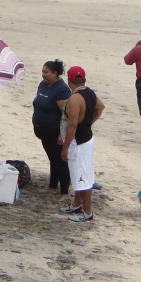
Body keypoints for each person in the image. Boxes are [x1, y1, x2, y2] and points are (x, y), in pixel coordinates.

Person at [61, 66, 104, 223]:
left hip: (79, 142)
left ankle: (87, 212)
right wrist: (89, 123)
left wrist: (65, 147)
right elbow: (100, 107)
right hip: (87, 138)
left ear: (69, 80)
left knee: (82, 177)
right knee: (81, 174)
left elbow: (72, 125)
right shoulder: (90, 93)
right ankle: (76, 204)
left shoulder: (74, 99)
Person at [31, 60, 72, 196]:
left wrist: (62, 133)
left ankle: (64, 192)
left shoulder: (62, 89)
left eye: (46, 72)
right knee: (52, 159)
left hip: (55, 131)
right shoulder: (43, 85)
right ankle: (52, 186)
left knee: (60, 161)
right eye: (42, 71)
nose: (43, 75)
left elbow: (66, 114)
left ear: (55, 73)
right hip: (43, 131)